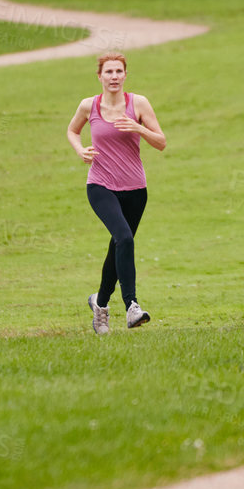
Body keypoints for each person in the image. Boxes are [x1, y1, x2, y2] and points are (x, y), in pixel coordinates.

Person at [66, 51, 166, 333]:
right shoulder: (89, 106)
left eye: (118, 72)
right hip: (100, 185)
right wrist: (79, 149)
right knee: (124, 238)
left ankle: (99, 304)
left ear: (125, 75)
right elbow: (72, 131)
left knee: (117, 246)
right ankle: (132, 306)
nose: (114, 77)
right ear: (99, 76)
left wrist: (138, 128)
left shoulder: (139, 103)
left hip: (135, 189)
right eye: (108, 72)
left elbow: (161, 142)